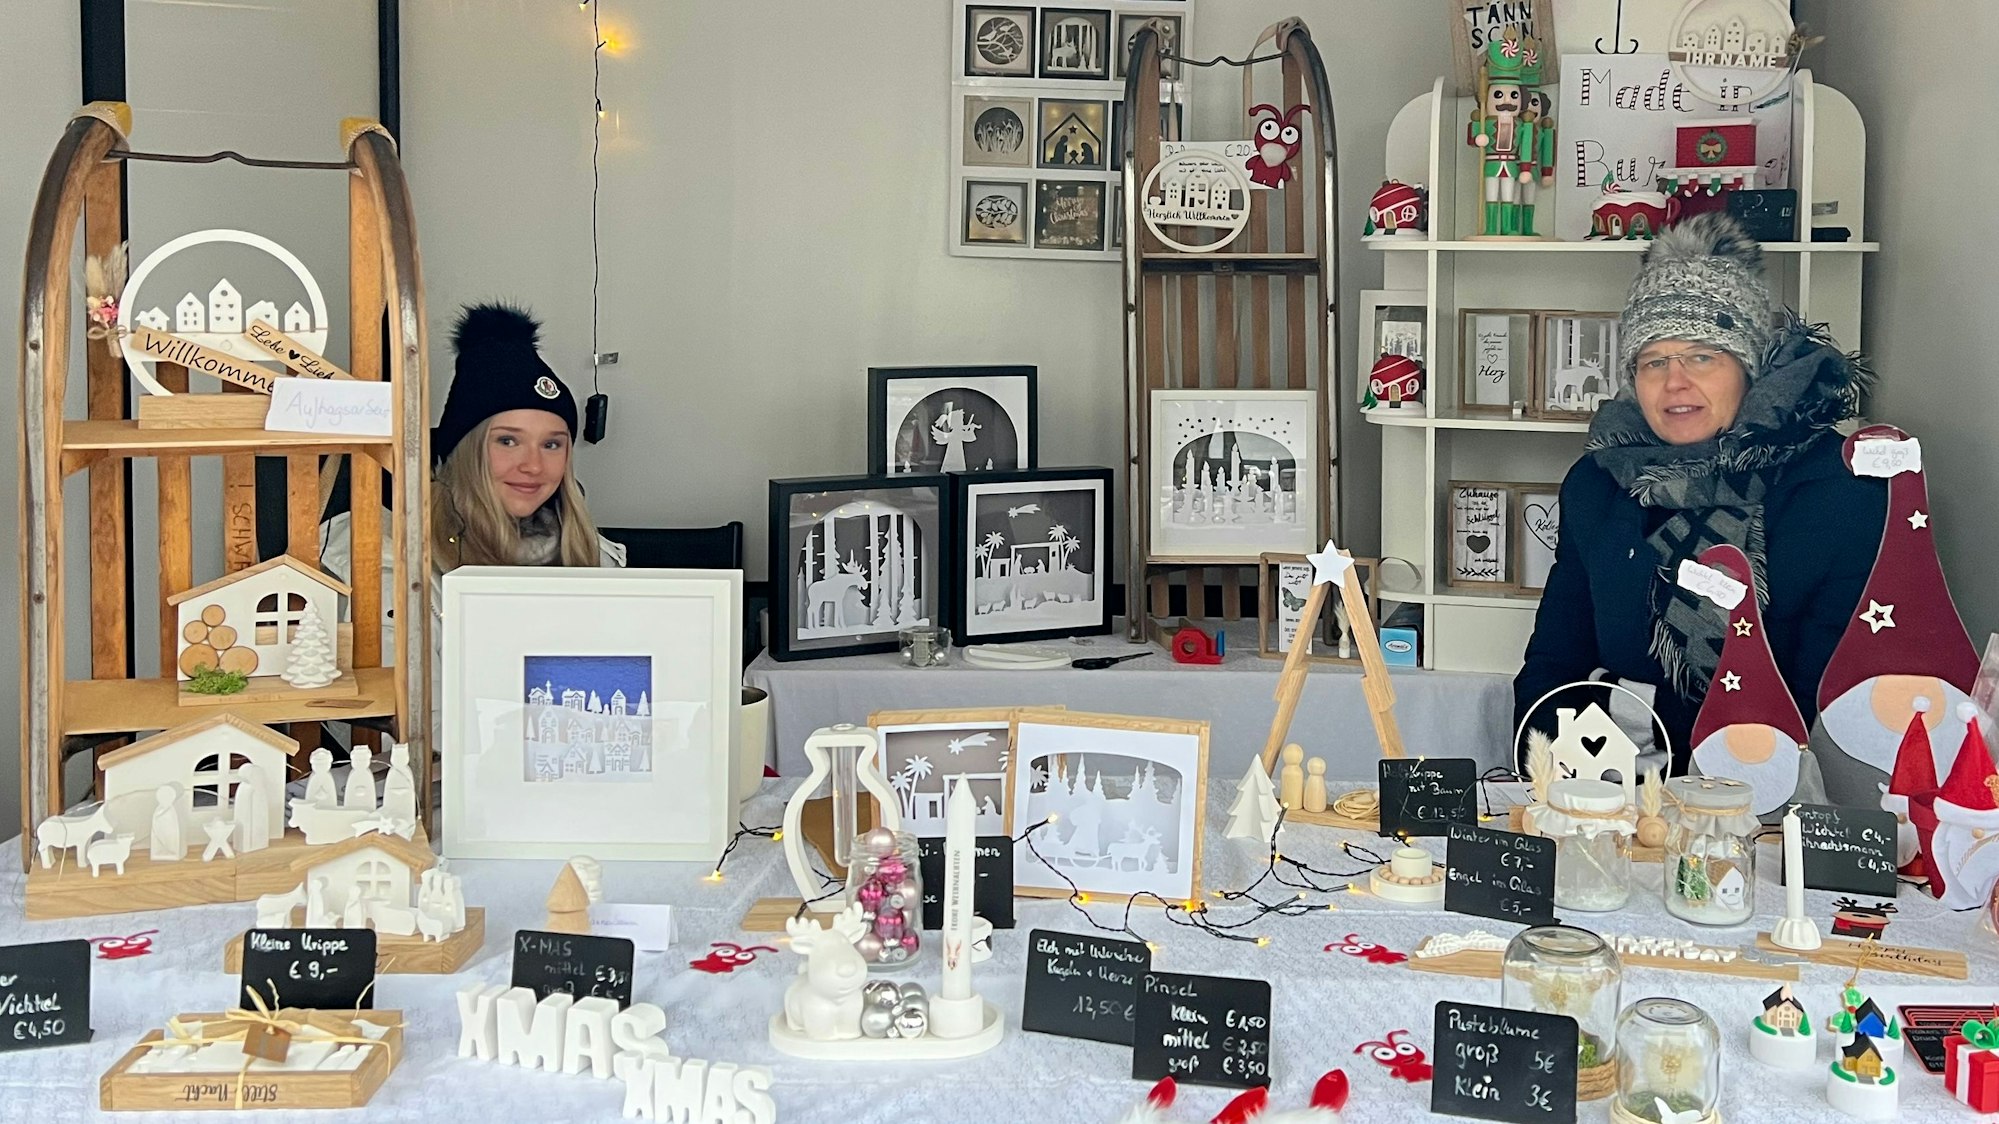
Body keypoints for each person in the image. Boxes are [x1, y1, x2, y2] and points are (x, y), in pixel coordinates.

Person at [1513, 214, 1884, 770]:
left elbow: (1826, 693)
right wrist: (1549, 773)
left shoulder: (1834, 490)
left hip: (1771, 790)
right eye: (1653, 361)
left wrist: (1645, 721)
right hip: (1598, 779)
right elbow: (1555, 657)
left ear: (1750, 367)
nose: (1674, 382)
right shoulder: (1598, 484)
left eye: (1702, 356)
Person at [321, 302, 624, 649]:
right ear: (464, 451)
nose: (534, 465)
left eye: (552, 444)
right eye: (507, 441)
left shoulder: (594, 555)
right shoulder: (385, 559)